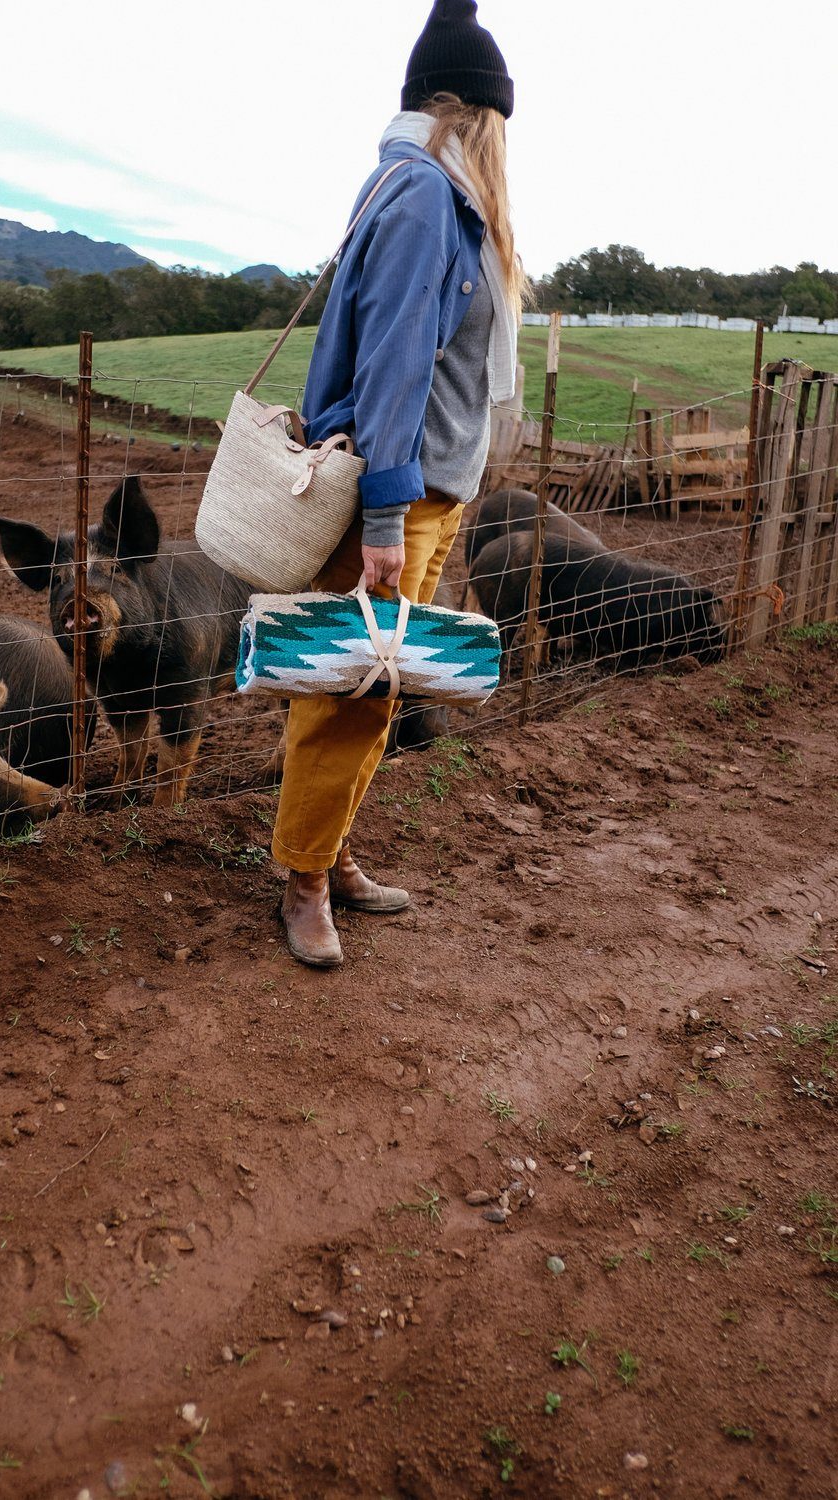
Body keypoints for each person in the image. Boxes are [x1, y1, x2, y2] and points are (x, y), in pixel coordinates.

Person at [272, 0, 525, 967]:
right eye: (498, 119)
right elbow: (392, 365)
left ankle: (327, 857)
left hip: (427, 493)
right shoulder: (426, 196)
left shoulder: (420, 187)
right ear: (465, 111)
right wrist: (383, 511)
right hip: (402, 498)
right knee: (352, 687)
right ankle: (302, 880)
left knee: (374, 681)